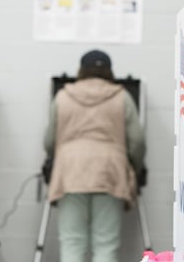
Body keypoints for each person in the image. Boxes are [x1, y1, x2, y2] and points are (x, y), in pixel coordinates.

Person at [44, 49, 146, 262]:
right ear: (109, 71)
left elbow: (49, 141)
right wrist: (132, 170)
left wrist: (59, 158)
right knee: (105, 244)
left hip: (70, 173)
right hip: (109, 172)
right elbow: (137, 141)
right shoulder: (122, 96)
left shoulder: (63, 96)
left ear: (81, 70)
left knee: (72, 241)